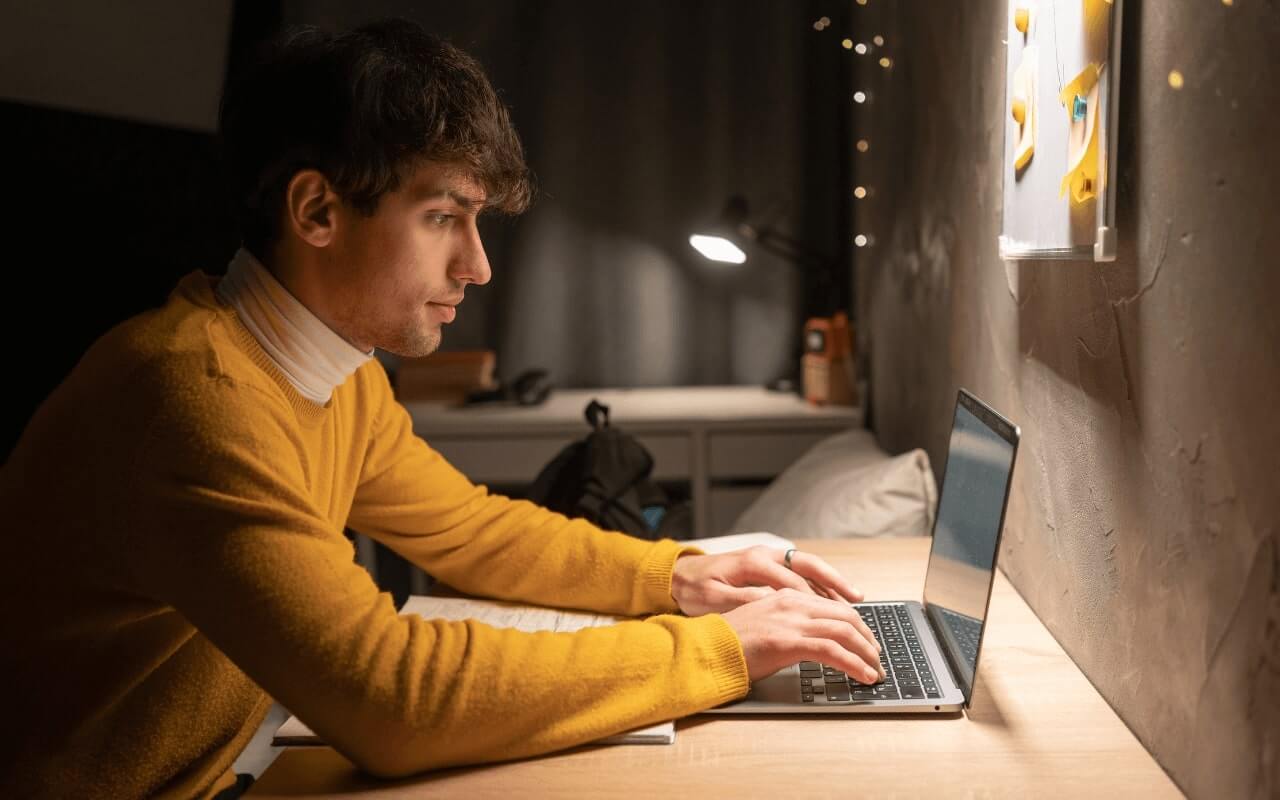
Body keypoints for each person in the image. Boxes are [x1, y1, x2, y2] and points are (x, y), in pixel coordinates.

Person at [0, 19, 883, 799]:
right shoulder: (193, 399)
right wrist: (721, 653)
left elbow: (468, 531)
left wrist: (675, 576)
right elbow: (393, 700)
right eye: (442, 218)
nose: (478, 265)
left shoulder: (332, 371)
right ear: (317, 210)